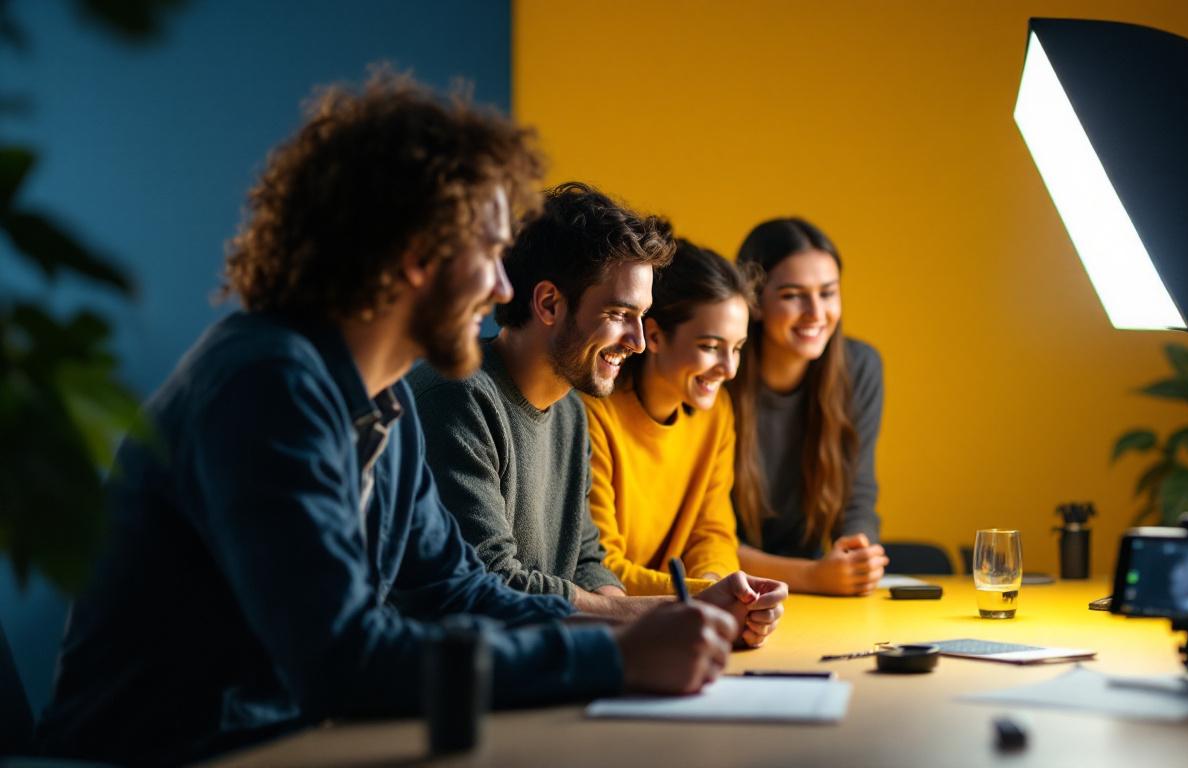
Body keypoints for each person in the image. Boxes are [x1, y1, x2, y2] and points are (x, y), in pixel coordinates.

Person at [35, 74, 736, 766]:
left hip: (287, 744)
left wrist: (643, 626)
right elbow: (344, 657)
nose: (502, 287)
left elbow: (457, 591)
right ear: (415, 257)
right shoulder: (266, 383)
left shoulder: (383, 401)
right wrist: (614, 654)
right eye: (490, 255)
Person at [410, 184, 784, 645]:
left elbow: (588, 564)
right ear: (548, 304)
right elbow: (494, 586)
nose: (638, 342)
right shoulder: (457, 398)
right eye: (619, 313)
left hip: (539, 672)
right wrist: (681, 609)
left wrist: (680, 619)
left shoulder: (570, 411)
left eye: (641, 317)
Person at [583, 240, 757, 596]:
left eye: (736, 348)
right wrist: (703, 596)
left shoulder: (717, 412)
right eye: (710, 347)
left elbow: (713, 533)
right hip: (617, 618)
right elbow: (599, 566)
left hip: (673, 613)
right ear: (656, 336)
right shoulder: (593, 413)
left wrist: (714, 583)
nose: (729, 369)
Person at [729, 218, 888, 596]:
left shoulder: (860, 368)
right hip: (728, 583)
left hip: (818, 586)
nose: (816, 312)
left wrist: (857, 557)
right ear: (755, 302)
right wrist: (813, 576)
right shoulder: (716, 373)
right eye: (792, 295)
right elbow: (700, 536)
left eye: (828, 293)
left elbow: (857, 494)